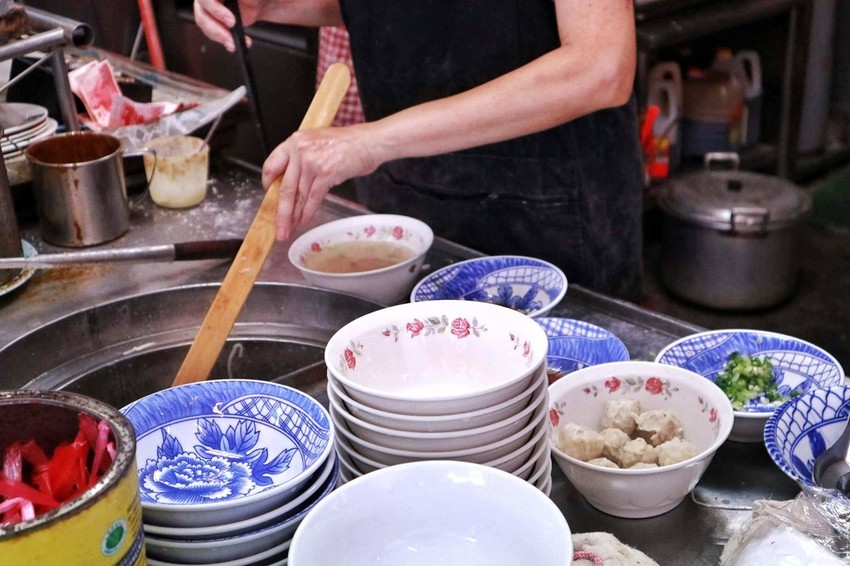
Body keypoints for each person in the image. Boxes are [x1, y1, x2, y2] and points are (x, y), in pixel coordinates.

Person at [193, 0, 645, 302]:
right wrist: (270, 3)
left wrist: (373, 140)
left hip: (549, 216)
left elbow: (601, 66)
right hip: (406, 196)